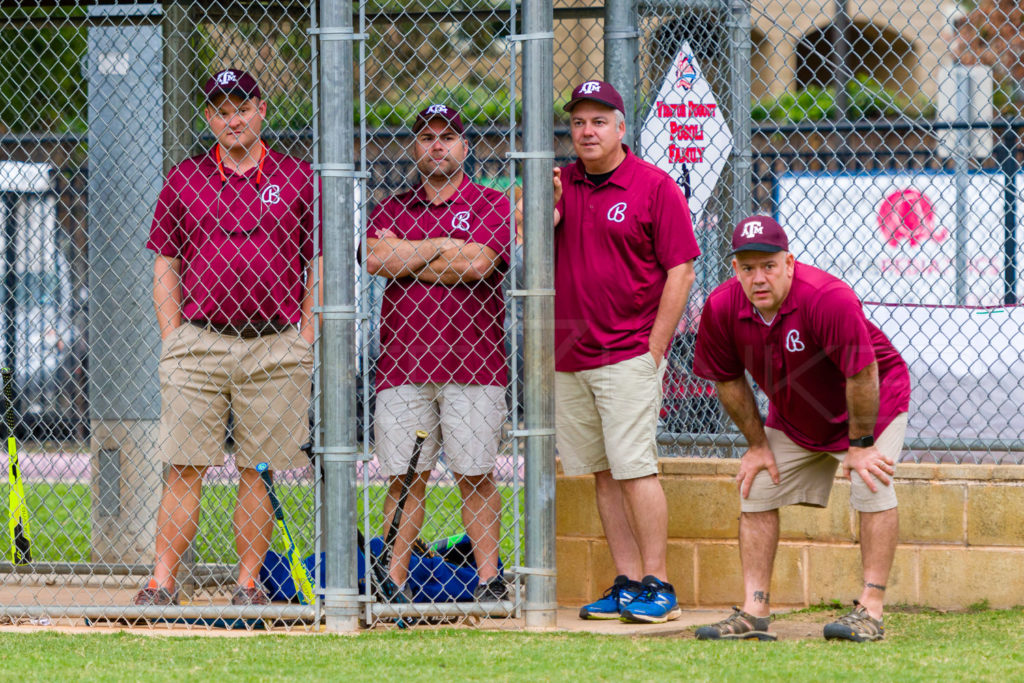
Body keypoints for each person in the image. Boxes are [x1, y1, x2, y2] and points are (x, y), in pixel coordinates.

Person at [136, 69, 318, 606]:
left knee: (256, 469)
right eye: (219, 109)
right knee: (184, 464)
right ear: (208, 118)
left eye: (241, 106)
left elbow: (321, 261)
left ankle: (247, 585)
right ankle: (162, 582)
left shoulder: (299, 177)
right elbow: (165, 264)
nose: (232, 118)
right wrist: (172, 336)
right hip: (199, 341)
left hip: (274, 344)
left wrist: (306, 335)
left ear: (262, 110)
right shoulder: (184, 179)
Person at [692, 215, 911, 642]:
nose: (759, 277)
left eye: (769, 265)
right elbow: (727, 378)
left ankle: (871, 610)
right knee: (755, 488)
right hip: (796, 414)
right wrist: (757, 445)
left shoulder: (827, 298)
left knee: (872, 483)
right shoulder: (721, 305)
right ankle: (754, 611)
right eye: (748, 267)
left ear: (789, 262)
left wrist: (862, 445)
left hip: (871, 403)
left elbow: (863, 374)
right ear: (734, 269)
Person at [552, 80, 699, 623]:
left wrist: (655, 347)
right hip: (571, 356)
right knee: (603, 473)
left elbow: (681, 269)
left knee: (635, 468)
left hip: (628, 353)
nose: (587, 131)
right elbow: (525, 239)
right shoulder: (560, 184)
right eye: (578, 122)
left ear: (620, 128)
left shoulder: (654, 186)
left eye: (598, 121)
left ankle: (659, 584)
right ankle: (627, 582)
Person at [365, 104, 511, 602]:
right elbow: (377, 257)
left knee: (475, 475)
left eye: (447, 136)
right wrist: (445, 245)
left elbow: (478, 265)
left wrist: (411, 253)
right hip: (403, 365)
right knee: (406, 478)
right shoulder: (390, 208)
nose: (436, 145)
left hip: (474, 364)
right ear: (415, 147)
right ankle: (393, 582)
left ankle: (490, 579)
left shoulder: (492, 203)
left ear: (464, 146)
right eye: (426, 137)